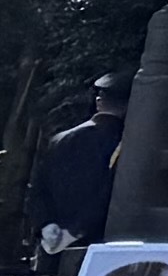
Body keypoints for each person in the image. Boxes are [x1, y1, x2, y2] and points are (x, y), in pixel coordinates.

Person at [25, 81, 124, 261]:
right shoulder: (123, 141)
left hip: (52, 243)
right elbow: (108, 192)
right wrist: (75, 230)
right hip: (94, 241)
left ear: (98, 102)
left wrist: (46, 225)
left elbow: (38, 189)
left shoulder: (59, 139)